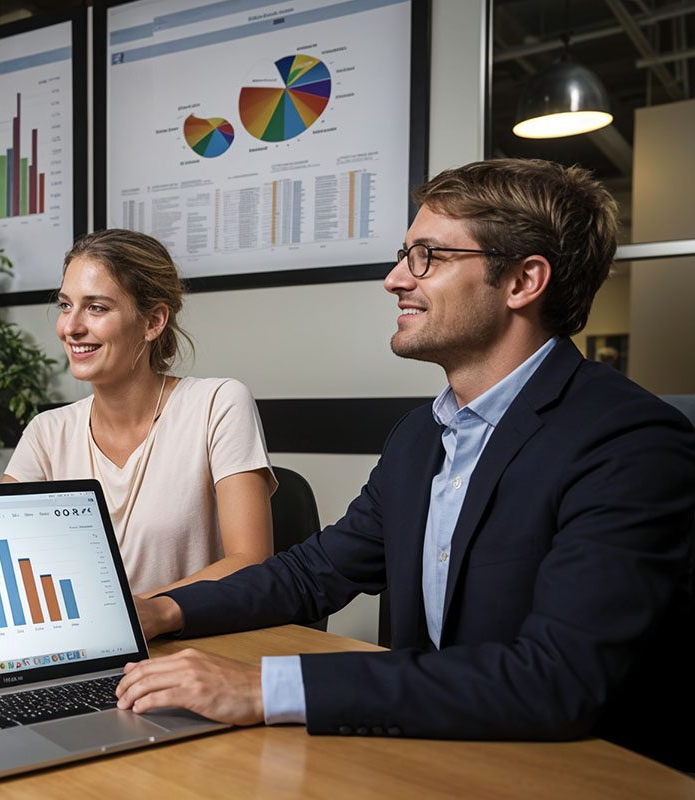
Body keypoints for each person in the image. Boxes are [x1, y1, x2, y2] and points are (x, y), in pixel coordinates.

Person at [116, 159, 695, 771]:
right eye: (403, 254)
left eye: (428, 257)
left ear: (524, 280)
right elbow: (313, 574)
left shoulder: (629, 442)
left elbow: (555, 679)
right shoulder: (422, 435)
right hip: (432, 750)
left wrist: (263, 688)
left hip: (573, 774)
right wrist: (165, 610)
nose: (395, 279)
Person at [3, 229, 276, 596]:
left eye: (96, 307)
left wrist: (134, 615)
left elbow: (250, 561)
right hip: (91, 647)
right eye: (66, 305)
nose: (70, 327)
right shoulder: (47, 433)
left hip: (191, 644)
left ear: (152, 322)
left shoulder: (217, 404)